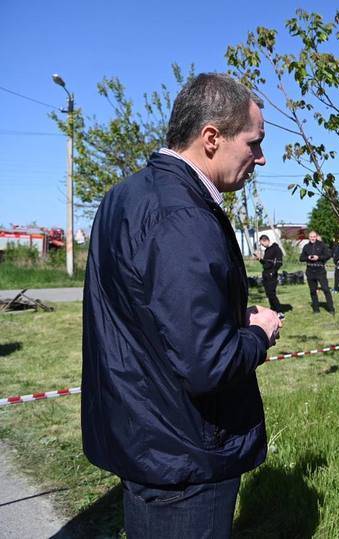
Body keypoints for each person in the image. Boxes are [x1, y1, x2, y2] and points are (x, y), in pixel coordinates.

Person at [82, 73, 282, 538]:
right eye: (254, 143)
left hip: (147, 434)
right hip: (184, 458)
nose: (261, 157)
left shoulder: (126, 195)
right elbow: (206, 363)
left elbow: (156, 320)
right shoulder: (184, 217)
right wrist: (257, 333)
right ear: (211, 138)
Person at [300, 230, 334, 314]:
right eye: (311, 237)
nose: (312, 238)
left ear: (316, 237)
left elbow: (328, 255)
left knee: (326, 289)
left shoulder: (322, 245)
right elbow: (301, 258)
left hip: (320, 271)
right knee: (313, 291)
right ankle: (316, 309)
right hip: (310, 271)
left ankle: (331, 308)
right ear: (309, 237)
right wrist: (308, 257)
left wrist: (318, 257)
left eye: (314, 237)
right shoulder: (306, 246)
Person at [255, 234, 283, 312]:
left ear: (266, 240)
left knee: (272, 294)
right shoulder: (267, 250)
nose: (262, 245)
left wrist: (273, 272)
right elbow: (266, 263)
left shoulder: (276, 249)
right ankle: (273, 309)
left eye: (262, 243)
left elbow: (279, 262)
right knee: (268, 294)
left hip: (272, 275)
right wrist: (260, 259)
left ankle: (279, 311)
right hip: (265, 274)